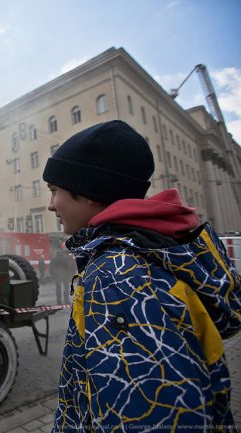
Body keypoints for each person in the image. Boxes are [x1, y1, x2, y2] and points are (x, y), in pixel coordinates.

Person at [42, 120, 240, 432]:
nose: (51, 205)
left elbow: (152, 415)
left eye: (54, 190)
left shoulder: (118, 275)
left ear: (89, 190)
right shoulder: (147, 252)